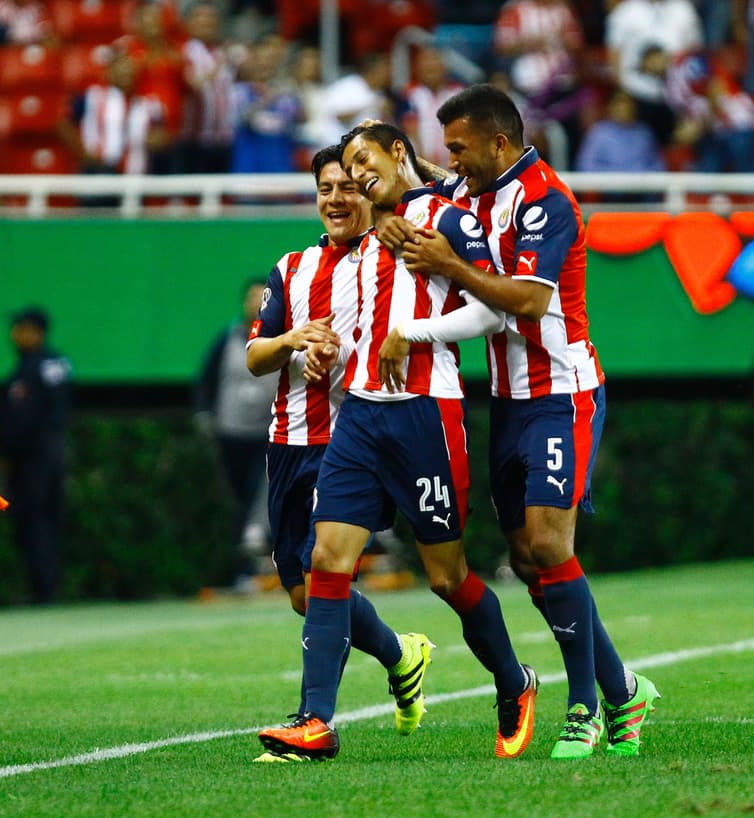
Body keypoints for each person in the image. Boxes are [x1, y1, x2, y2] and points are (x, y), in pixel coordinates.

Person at [386, 84, 661, 759]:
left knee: (548, 544)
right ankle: (624, 687)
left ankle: (584, 711)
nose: (453, 161)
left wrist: (450, 264)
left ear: (498, 142)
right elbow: (433, 178)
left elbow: (531, 302)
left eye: (460, 148)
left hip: (562, 393)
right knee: (527, 560)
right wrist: (393, 161)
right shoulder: (475, 186)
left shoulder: (547, 202)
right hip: (508, 401)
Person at [257, 123, 538, 763]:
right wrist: (324, 355)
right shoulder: (361, 242)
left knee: (446, 577)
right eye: (344, 169)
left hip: (425, 416)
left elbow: (493, 312)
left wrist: (413, 335)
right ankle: (314, 722)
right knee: (327, 560)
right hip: (358, 419)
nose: (354, 176)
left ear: (399, 155)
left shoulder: (444, 218)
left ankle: (514, 681)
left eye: (363, 161)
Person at [246, 144, 433, 761]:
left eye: (348, 188)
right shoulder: (292, 266)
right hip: (287, 442)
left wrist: (346, 355)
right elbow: (254, 358)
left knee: (328, 567)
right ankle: (401, 654)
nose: (336, 198)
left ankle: (313, 720)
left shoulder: (390, 255)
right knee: (304, 594)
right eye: (326, 188)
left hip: (352, 440)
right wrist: (293, 341)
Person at [196, 280, 280, 575]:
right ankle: (243, 565)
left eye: (262, 297)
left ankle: (265, 549)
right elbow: (206, 379)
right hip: (231, 432)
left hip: (268, 432)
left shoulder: (281, 335)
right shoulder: (226, 339)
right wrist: (205, 415)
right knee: (238, 496)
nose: (256, 303)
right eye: (251, 298)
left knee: (264, 489)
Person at [0, 306, 70, 605]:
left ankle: (45, 590)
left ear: (37, 331)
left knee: (39, 521)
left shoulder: (45, 366)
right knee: (33, 523)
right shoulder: (28, 368)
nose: (15, 335)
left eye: (21, 328)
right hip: (32, 459)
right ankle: (42, 587)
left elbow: (42, 416)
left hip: (38, 459)